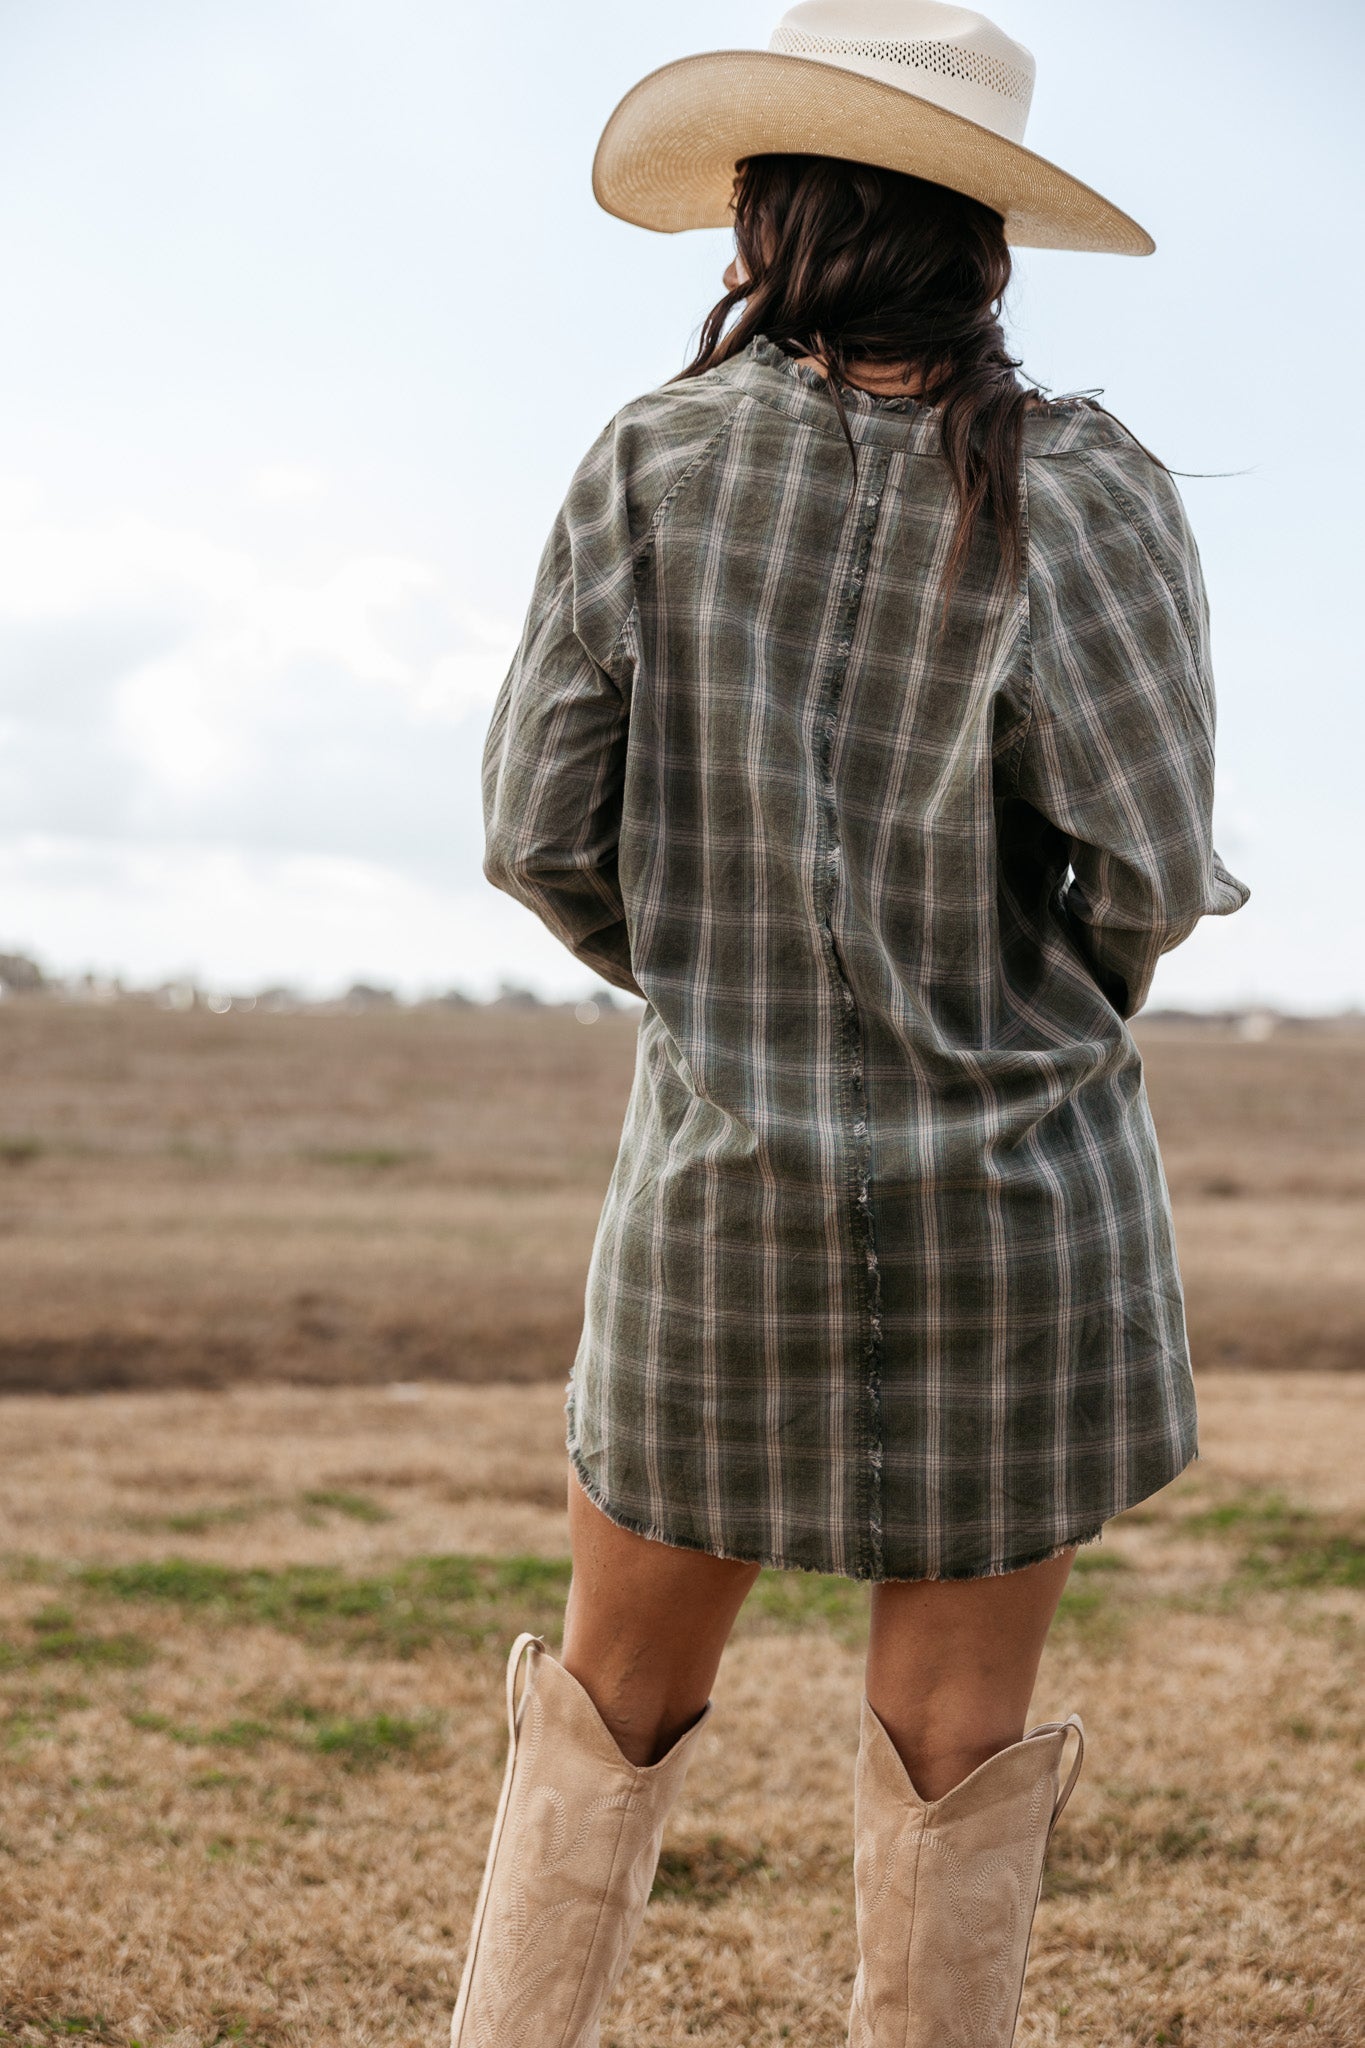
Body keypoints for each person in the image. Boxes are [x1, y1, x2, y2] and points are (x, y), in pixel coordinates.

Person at [451, 4, 1249, 2043]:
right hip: (1027, 1209)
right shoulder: (1090, 487)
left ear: (769, 212)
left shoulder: (653, 458)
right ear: (981, 234)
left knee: (604, 1708)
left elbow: (543, 834)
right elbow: (1145, 864)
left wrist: (733, 974)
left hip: (713, 1196)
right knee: (957, 1740)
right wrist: (1007, 1003)